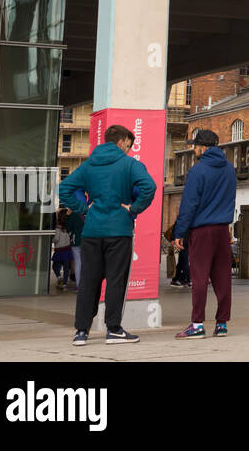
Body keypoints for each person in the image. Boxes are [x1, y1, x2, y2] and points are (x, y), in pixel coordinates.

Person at [60, 124, 157, 345]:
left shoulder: (89, 165)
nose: (129, 150)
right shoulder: (129, 164)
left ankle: (81, 332)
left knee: (88, 281)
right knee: (116, 280)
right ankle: (113, 329)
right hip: (119, 231)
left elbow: (64, 189)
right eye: (129, 146)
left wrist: (85, 209)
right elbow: (149, 187)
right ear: (122, 141)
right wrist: (133, 209)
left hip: (92, 231)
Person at [172, 129, 237, 339]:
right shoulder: (229, 169)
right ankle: (222, 324)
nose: (194, 149)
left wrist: (179, 232)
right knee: (222, 277)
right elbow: (230, 200)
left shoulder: (198, 171)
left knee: (199, 277)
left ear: (203, 147)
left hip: (202, 230)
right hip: (222, 230)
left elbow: (189, 204)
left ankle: (197, 324)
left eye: (195, 146)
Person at [61, 206, 83, 289]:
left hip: (75, 241)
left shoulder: (72, 215)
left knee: (78, 263)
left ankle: (79, 285)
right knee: (84, 263)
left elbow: (67, 228)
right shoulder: (81, 214)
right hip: (86, 240)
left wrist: (67, 216)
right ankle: (83, 285)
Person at [51, 212, 72, 290]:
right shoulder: (68, 227)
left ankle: (59, 277)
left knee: (55, 266)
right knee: (66, 268)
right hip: (67, 250)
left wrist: (52, 239)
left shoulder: (57, 228)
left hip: (59, 251)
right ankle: (64, 284)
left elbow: (56, 239)